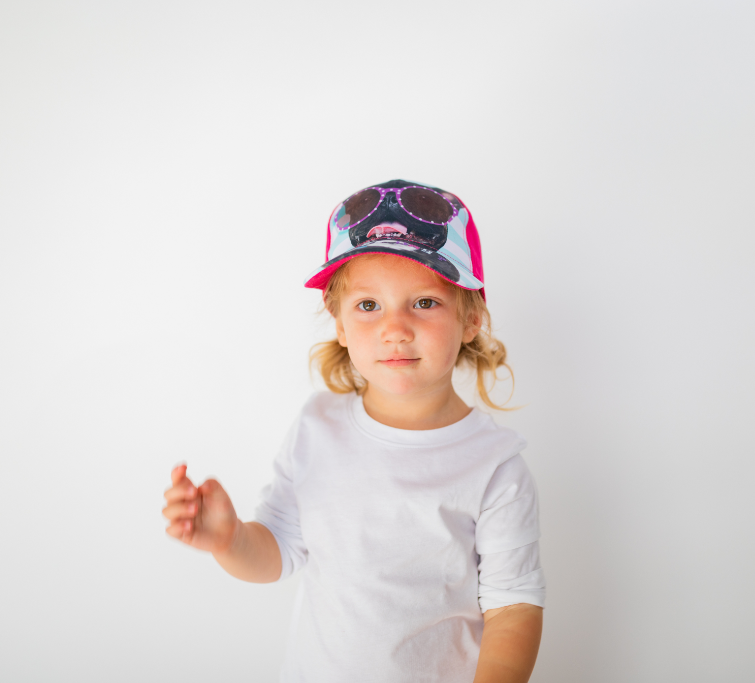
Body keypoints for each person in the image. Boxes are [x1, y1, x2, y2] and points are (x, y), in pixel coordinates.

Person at [162, 179, 546, 683]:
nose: (395, 327)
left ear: (471, 316)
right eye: (368, 306)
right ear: (340, 325)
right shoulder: (317, 428)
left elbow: (512, 606)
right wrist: (230, 540)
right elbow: (278, 550)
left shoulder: (495, 467)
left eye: (425, 303)